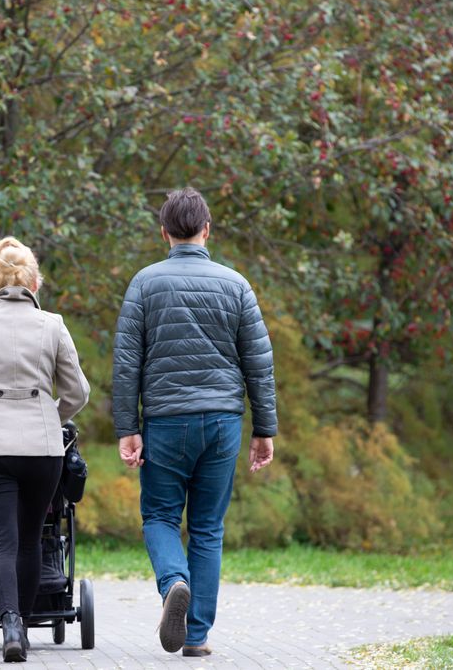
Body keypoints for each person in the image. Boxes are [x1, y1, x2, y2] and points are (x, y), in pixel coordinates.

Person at [111, 187, 277, 657]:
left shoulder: (144, 283)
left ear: (164, 232)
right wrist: (264, 429)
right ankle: (197, 635)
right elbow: (259, 364)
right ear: (207, 229)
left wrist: (128, 427)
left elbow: (127, 362)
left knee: (160, 515)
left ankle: (173, 584)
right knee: (207, 527)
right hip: (223, 423)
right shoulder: (237, 284)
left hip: (165, 422)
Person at [0, 236, 90, 663]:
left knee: (2, 541)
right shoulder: (53, 325)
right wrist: (51, 414)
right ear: (34, 282)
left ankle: (8, 624)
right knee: (30, 540)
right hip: (42, 449)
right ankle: (22, 624)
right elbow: (78, 391)